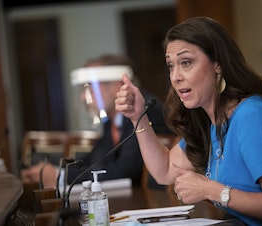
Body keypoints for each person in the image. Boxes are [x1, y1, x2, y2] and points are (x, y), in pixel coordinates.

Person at [115, 17, 262, 226]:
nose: (175, 76)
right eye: (171, 66)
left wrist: (210, 189)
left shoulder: (253, 117)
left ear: (218, 65)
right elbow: (165, 170)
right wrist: (138, 117)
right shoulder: (211, 122)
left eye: (186, 63)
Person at [20, 54, 172, 188]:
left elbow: (125, 171)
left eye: (91, 88)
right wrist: (56, 170)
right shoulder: (111, 119)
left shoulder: (143, 108)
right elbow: (96, 160)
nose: (83, 97)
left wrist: (60, 177)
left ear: (119, 85)